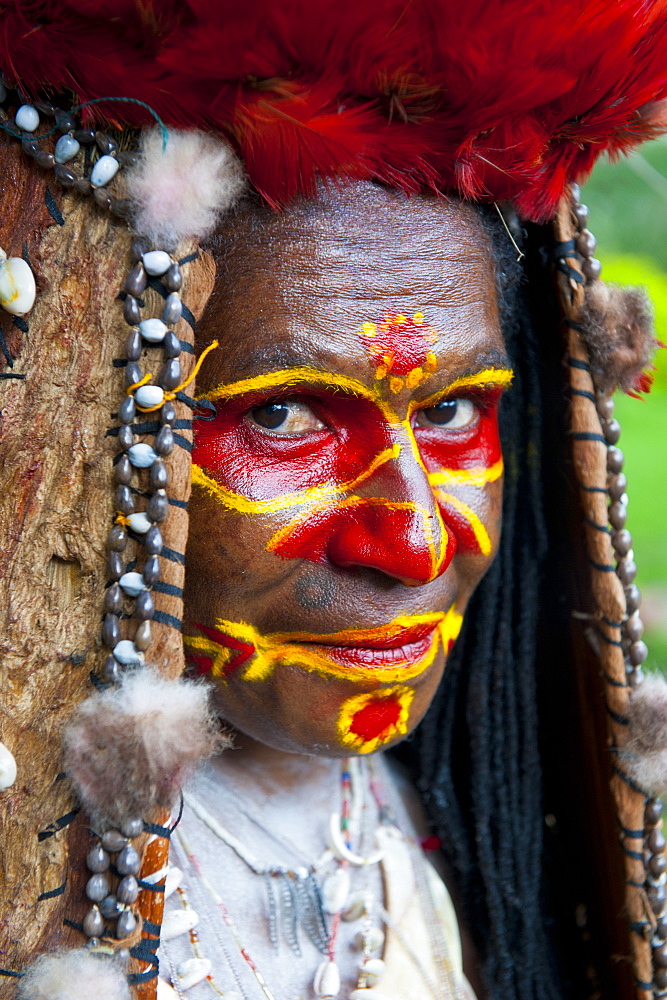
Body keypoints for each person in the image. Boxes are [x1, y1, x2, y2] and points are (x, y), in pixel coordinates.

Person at [0, 4, 666, 1000]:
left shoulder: (493, 853)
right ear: (83, 419)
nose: (411, 539)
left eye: (450, 411)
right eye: (279, 416)